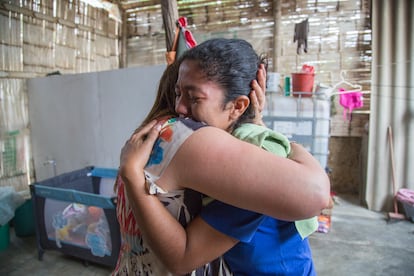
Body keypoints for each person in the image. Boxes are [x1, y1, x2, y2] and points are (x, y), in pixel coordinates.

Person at [116, 38, 330, 275]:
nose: (180, 108)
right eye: (179, 93)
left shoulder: (162, 133)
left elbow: (316, 195)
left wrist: (266, 135)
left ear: (238, 106)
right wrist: (282, 141)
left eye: (194, 97)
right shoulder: (215, 150)